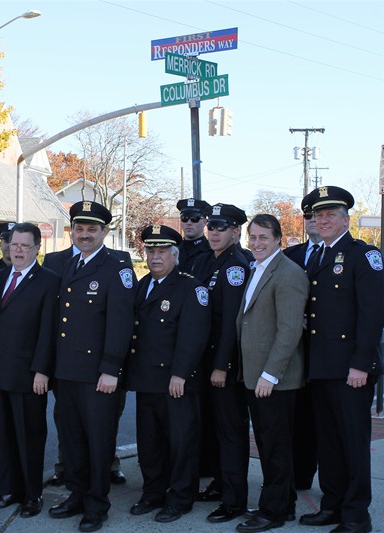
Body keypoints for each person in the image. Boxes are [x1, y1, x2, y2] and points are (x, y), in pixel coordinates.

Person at [299, 186, 384, 533]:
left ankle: (356, 515)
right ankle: (332, 505)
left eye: (330, 215)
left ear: (346, 219)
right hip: (321, 366)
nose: (323, 220)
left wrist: (361, 364)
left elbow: (374, 314)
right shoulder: (320, 255)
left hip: (350, 369)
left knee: (352, 444)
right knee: (329, 445)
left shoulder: (363, 256)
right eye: (318, 216)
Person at [48, 200, 135, 533]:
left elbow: (121, 323)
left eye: (92, 229)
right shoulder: (65, 264)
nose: (84, 235)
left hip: (98, 375)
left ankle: (96, 505)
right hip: (66, 370)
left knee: (98, 441)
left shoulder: (117, 267)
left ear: (104, 232)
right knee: (71, 441)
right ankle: (76, 495)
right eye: (79, 229)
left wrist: (111, 369)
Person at [126, 224, 210, 524]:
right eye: (151, 250)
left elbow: (194, 336)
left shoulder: (191, 287)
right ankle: (153, 493)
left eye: (162, 251)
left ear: (175, 255)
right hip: (146, 379)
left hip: (176, 381)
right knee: (150, 443)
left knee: (181, 442)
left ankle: (180, 498)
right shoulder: (143, 284)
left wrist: (181, 374)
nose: (155, 256)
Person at [234, 214, 309, 532]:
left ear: (279, 239)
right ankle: (284, 502)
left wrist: (270, 375)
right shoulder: (258, 268)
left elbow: (290, 330)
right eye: (252, 237)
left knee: (275, 446)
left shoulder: (288, 273)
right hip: (255, 375)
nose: (256, 243)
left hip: (274, 380)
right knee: (268, 443)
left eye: (263, 237)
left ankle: (273, 511)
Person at [0, 223, 61, 518]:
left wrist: (42, 370)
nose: (16, 250)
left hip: (30, 376)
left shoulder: (49, 281)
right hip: (0, 372)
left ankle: (32, 495)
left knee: (29, 437)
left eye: (24, 246)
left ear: (36, 249)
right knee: (4, 435)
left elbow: (49, 329)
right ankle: (9, 490)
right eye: (13, 245)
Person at [192, 203, 251, 524]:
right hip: (203, 362)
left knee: (230, 432)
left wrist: (222, 366)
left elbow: (231, 322)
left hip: (222, 366)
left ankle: (234, 499)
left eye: (221, 227)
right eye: (211, 226)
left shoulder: (235, 266)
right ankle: (219, 482)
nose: (213, 232)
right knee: (212, 430)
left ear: (236, 231)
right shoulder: (206, 261)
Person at [282, 192, 325, 491]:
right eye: (308, 216)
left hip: (325, 352)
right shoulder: (291, 255)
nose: (312, 221)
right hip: (294, 351)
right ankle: (299, 477)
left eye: (317, 216)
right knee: (297, 420)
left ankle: (332, 483)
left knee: (324, 422)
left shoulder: (345, 254)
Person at [176, 198, 211, 274]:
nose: (189, 223)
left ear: (205, 222)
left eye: (194, 218)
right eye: (184, 218)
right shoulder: (173, 250)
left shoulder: (212, 252)